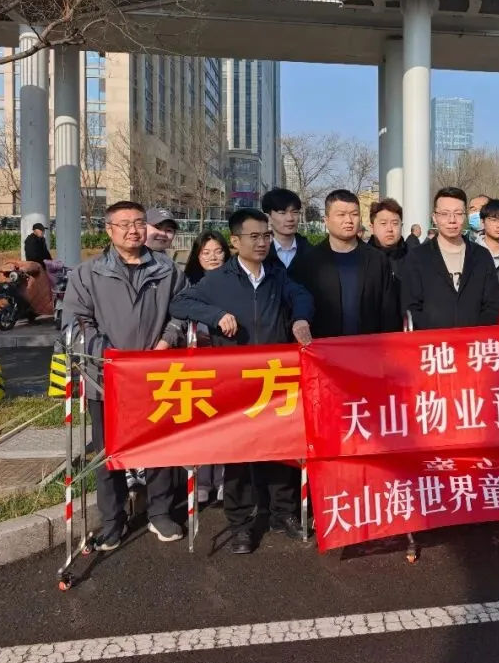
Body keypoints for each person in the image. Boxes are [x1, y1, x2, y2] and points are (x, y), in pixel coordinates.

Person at [170, 208, 314, 554]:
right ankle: (241, 524)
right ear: (235, 241)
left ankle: (283, 513)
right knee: (238, 454)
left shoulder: (276, 274)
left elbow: (302, 296)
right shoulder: (218, 280)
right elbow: (180, 303)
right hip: (235, 381)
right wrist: (216, 315)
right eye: (254, 236)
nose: (262, 242)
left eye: (266, 235)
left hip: (274, 378)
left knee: (281, 450)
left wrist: (300, 319)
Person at [61, 201, 187, 550]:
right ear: (109, 230)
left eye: (139, 222)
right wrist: (110, 357)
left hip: (156, 374)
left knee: (159, 446)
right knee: (108, 451)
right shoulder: (87, 274)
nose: (133, 230)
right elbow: (76, 323)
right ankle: (113, 520)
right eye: (124, 224)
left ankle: (160, 512)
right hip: (107, 379)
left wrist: (167, 340)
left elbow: (182, 310)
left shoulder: (168, 270)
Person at [292, 190, 400, 339]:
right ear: (326, 220)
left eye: (354, 214)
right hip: (323, 348)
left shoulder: (377, 260)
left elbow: (389, 311)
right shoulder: (308, 261)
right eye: (341, 215)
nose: (349, 220)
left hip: (371, 346)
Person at [400, 187, 499, 330]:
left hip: (474, 340)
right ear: (434, 218)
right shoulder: (417, 257)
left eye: (458, 213)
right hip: (432, 342)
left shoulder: (482, 256)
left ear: (465, 217)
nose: (452, 220)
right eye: (444, 214)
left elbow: (493, 305)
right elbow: (411, 307)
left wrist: (473, 335)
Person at [179, 230, 231, 504]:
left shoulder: (235, 282)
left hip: (226, 363)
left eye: (218, 251)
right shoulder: (188, 284)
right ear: (196, 256)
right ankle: (201, 479)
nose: (213, 258)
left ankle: (223, 478)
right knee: (200, 422)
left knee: (225, 422)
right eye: (206, 253)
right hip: (196, 363)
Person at [262, 188, 311, 272]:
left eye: (295, 212)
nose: (290, 218)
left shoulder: (312, 253)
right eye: (282, 213)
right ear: (268, 217)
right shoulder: (259, 252)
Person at [366, 198, 410, 281]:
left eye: (395, 223)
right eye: (383, 223)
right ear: (372, 227)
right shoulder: (362, 258)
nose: (390, 229)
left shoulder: (413, 257)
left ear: (401, 226)